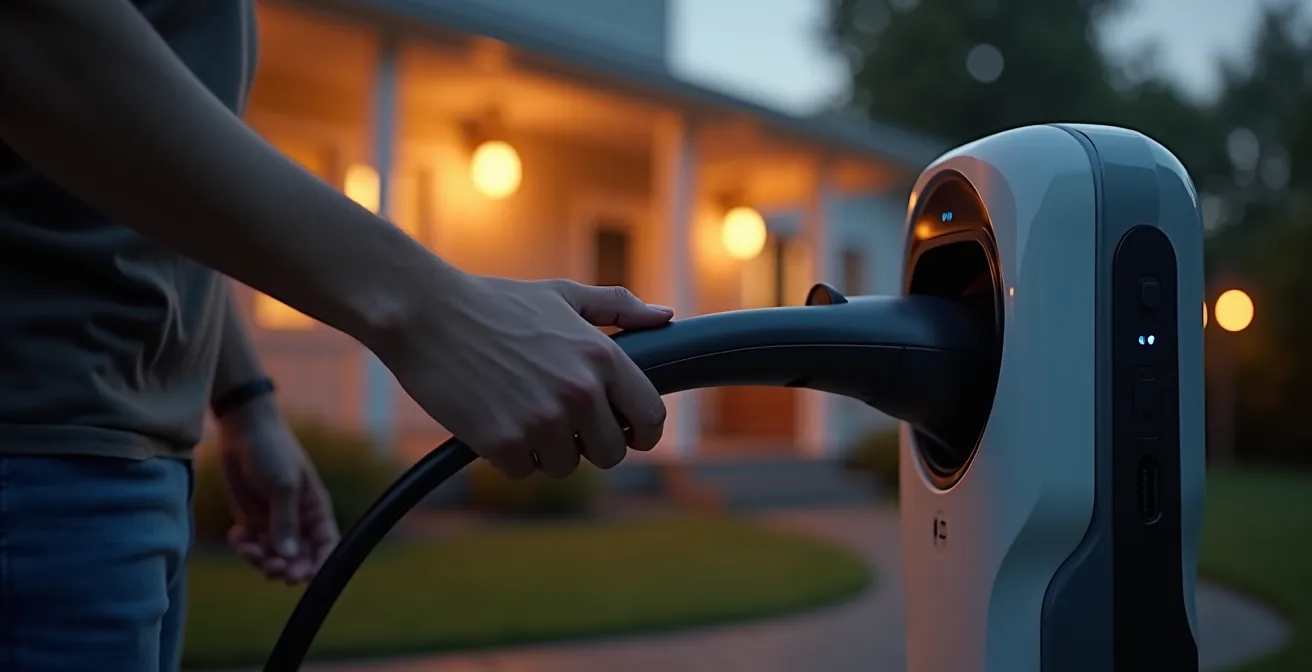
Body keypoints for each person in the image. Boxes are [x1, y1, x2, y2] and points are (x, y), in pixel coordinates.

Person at [0, 1, 672, 670]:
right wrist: (431, 309)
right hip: (38, 456)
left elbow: (158, 191)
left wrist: (246, 401)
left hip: (127, 456)